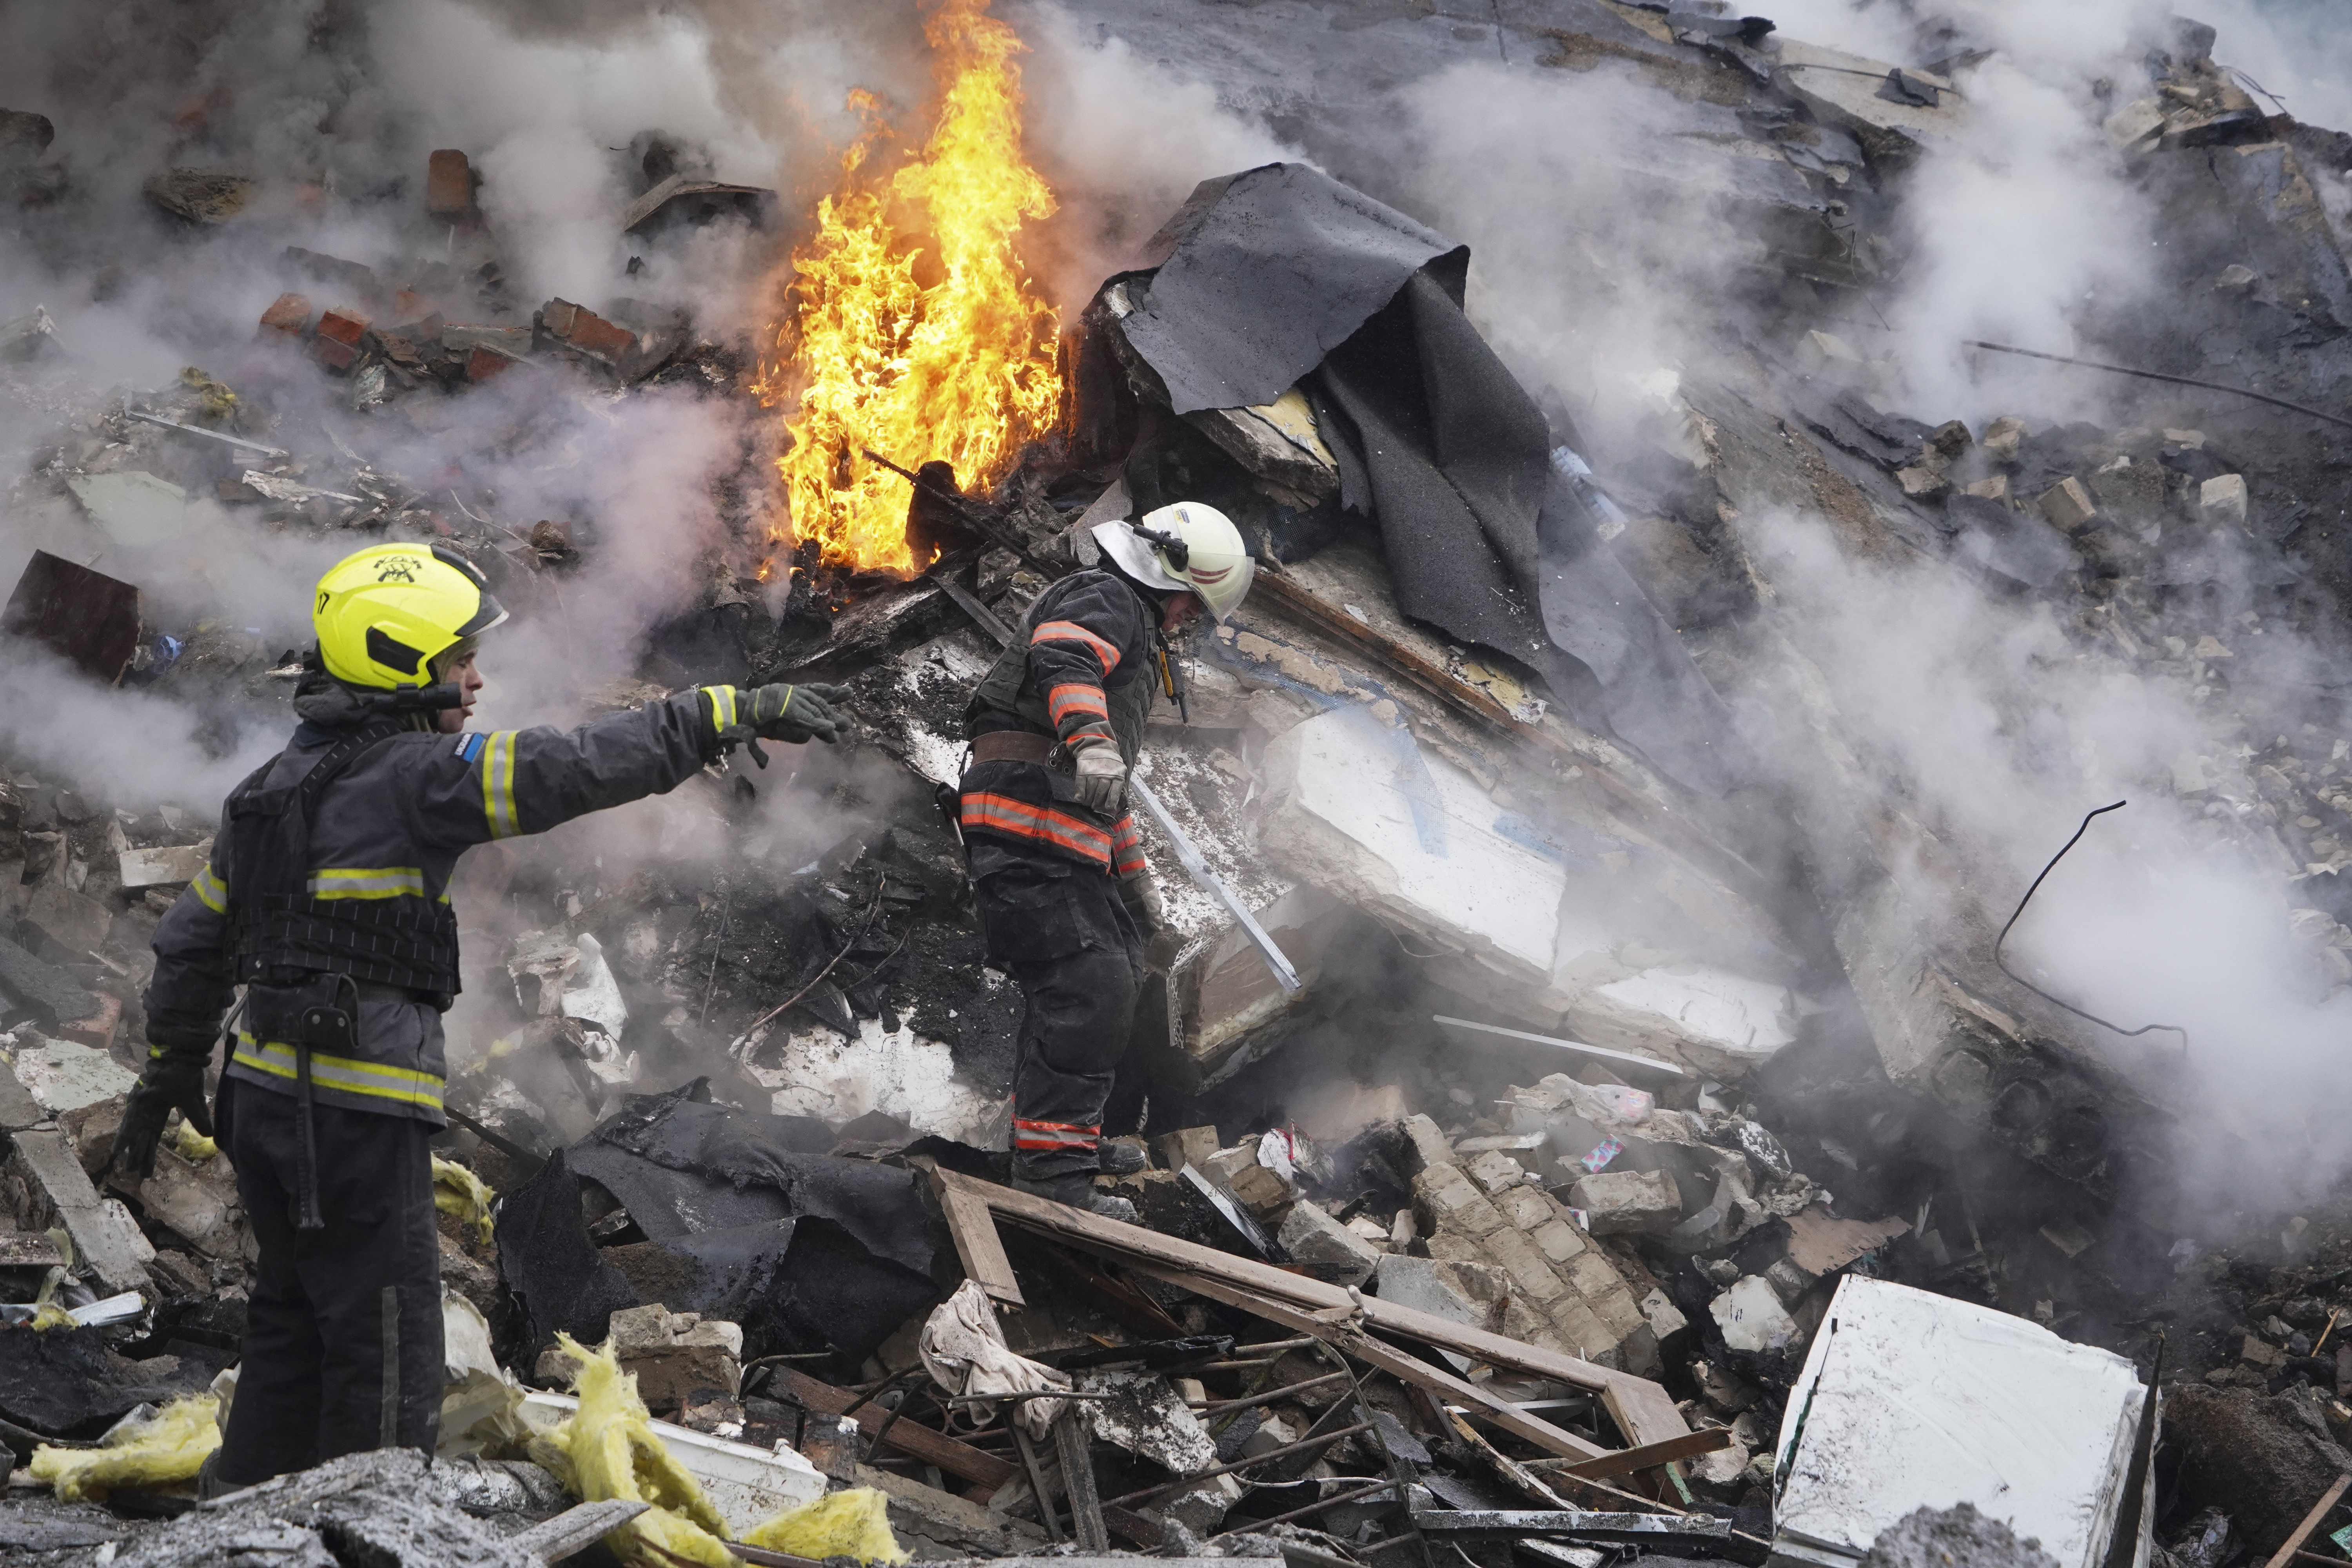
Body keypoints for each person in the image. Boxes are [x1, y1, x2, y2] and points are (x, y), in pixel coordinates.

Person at [113, 541, 848, 1488]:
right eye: (460, 657)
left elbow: (190, 945)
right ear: (401, 663)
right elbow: (567, 768)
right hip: (351, 1109)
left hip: (261, 1098)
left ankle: (236, 1511)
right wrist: (722, 712)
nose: (478, 676)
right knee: (387, 1344)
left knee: (291, 1321)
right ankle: (371, 1530)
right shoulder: (417, 775)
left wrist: (169, 1068)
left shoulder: (264, 795)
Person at [958, 502, 1255, 1218]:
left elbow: (1107, 788)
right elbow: (1064, 652)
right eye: (1192, 607)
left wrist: (1136, 880)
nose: (1187, 622)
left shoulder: (1129, 620)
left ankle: (1060, 1144)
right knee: (1086, 987)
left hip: (1060, 826)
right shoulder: (1107, 597)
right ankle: (1054, 1185)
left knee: (1111, 974)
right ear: (1172, 580)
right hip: (1027, 817)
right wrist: (1091, 736)